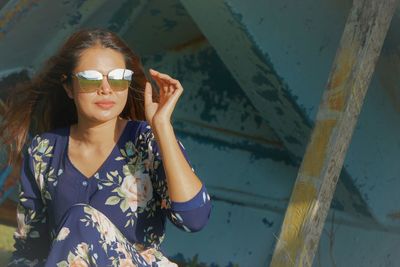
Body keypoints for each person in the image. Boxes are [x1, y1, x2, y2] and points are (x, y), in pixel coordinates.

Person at [0, 28, 212, 266]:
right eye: (91, 78)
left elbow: (194, 219)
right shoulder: (43, 151)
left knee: (82, 219)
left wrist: (162, 127)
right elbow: (30, 249)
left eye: (118, 78)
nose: (106, 88)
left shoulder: (146, 141)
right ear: (69, 87)